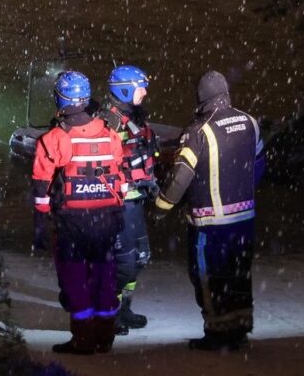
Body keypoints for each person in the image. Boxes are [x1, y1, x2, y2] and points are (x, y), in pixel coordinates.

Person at [154, 70, 265, 351]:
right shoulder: (250, 122)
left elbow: (181, 177)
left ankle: (216, 333)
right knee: (239, 272)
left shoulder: (197, 131)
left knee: (208, 276)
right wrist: (241, 191)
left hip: (210, 224)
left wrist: (160, 207)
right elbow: (260, 164)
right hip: (244, 220)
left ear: (201, 98)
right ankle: (239, 329)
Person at [32, 71, 127, 355]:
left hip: (72, 223)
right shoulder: (110, 134)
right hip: (107, 220)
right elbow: (120, 176)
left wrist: (40, 222)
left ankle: (83, 339)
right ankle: (105, 336)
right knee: (104, 277)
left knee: (75, 279)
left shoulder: (54, 139)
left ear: (59, 99)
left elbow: (40, 186)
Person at [97, 64, 157, 335]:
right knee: (123, 263)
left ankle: (124, 308)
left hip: (136, 200)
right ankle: (109, 313)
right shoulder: (107, 122)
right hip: (118, 204)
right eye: (140, 87)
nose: (145, 92)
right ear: (124, 90)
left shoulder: (134, 118)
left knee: (141, 257)